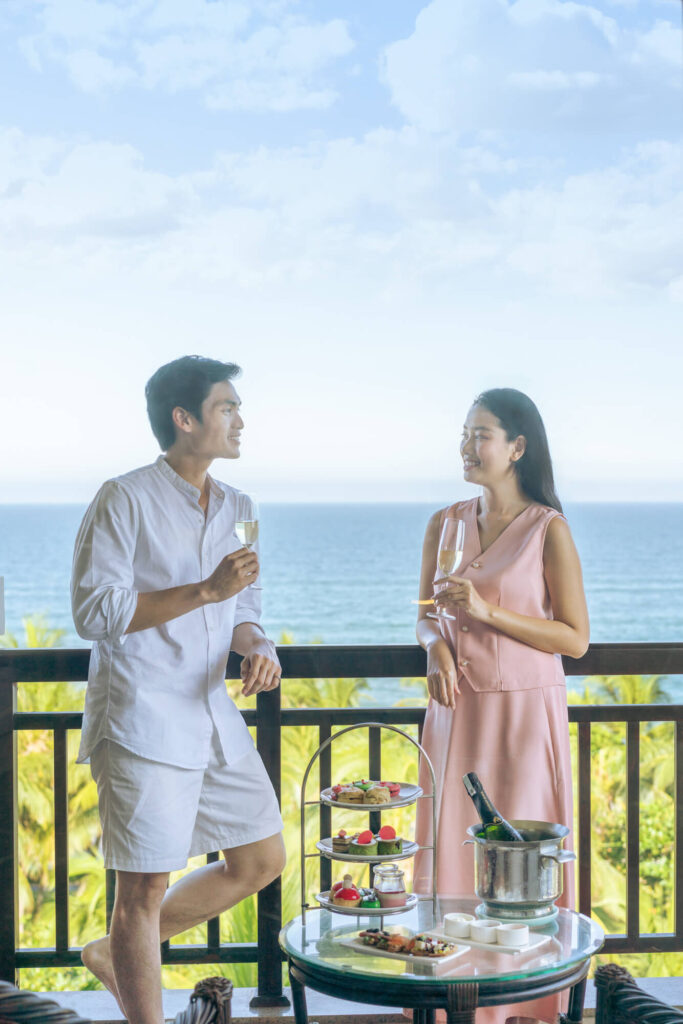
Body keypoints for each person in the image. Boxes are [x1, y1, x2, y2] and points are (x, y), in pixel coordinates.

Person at [71, 355, 285, 1024]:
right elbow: (94, 612)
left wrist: (258, 646)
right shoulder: (123, 497)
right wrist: (204, 591)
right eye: (227, 407)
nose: (240, 420)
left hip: (210, 710)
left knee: (259, 858)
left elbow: (244, 605)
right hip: (141, 714)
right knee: (142, 888)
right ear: (183, 418)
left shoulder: (238, 506)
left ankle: (114, 954)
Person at [413, 388, 589, 1024]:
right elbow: (427, 617)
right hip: (456, 710)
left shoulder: (549, 529)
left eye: (480, 434)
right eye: (463, 433)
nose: (466, 445)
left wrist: (487, 612)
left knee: (521, 860)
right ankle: (451, 998)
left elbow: (575, 637)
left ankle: (529, 1005)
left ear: (517, 447)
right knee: (454, 850)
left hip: (522, 712)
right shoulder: (444, 522)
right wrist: (435, 648)